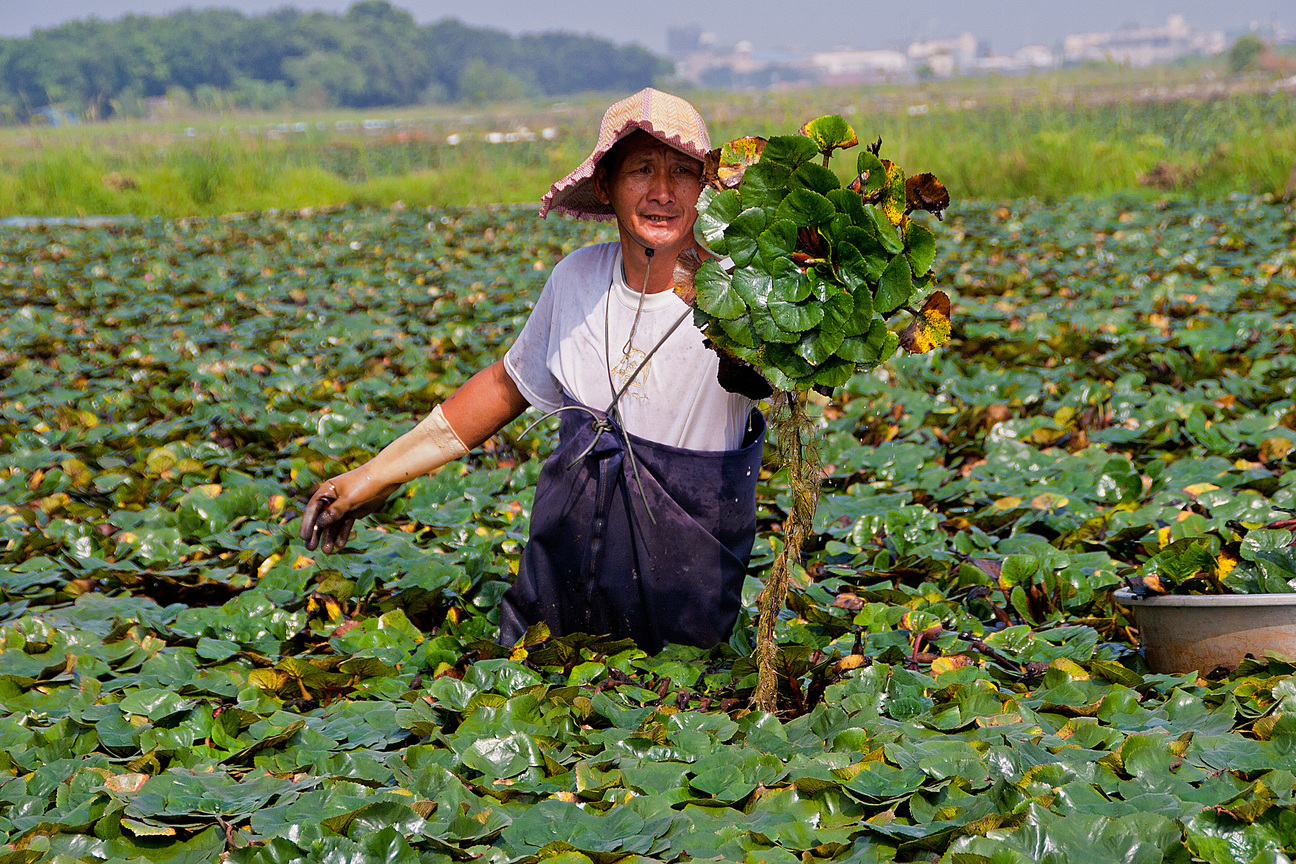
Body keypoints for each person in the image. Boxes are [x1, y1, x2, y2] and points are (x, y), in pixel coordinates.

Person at [298, 88, 764, 652]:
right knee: (541, 689)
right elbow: (505, 386)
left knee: (678, 703)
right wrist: (371, 477)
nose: (662, 192)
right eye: (641, 169)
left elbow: (819, 358)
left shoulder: (745, 293)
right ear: (606, 186)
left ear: (708, 187)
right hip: (563, 575)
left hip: (685, 588)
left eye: (683, 172)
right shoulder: (576, 280)